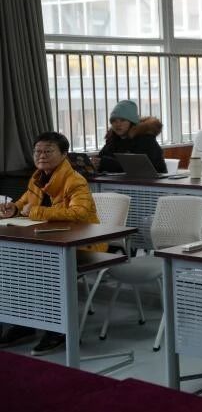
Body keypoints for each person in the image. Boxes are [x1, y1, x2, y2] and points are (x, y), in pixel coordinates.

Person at [0, 132, 101, 356]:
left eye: (48, 151)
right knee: (11, 266)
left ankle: (59, 330)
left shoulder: (75, 180)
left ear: (64, 154)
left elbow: (79, 213)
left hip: (80, 243)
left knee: (45, 269)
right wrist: (13, 209)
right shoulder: (37, 177)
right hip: (46, 239)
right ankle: (24, 323)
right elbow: (24, 202)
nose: (41, 156)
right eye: (37, 151)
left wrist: (37, 211)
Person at [95, 100, 166, 173]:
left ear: (132, 122)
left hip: (153, 179)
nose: (118, 124)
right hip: (122, 180)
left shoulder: (145, 139)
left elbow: (138, 167)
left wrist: (106, 163)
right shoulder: (112, 139)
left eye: (122, 120)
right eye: (114, 121)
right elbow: (101, 159)